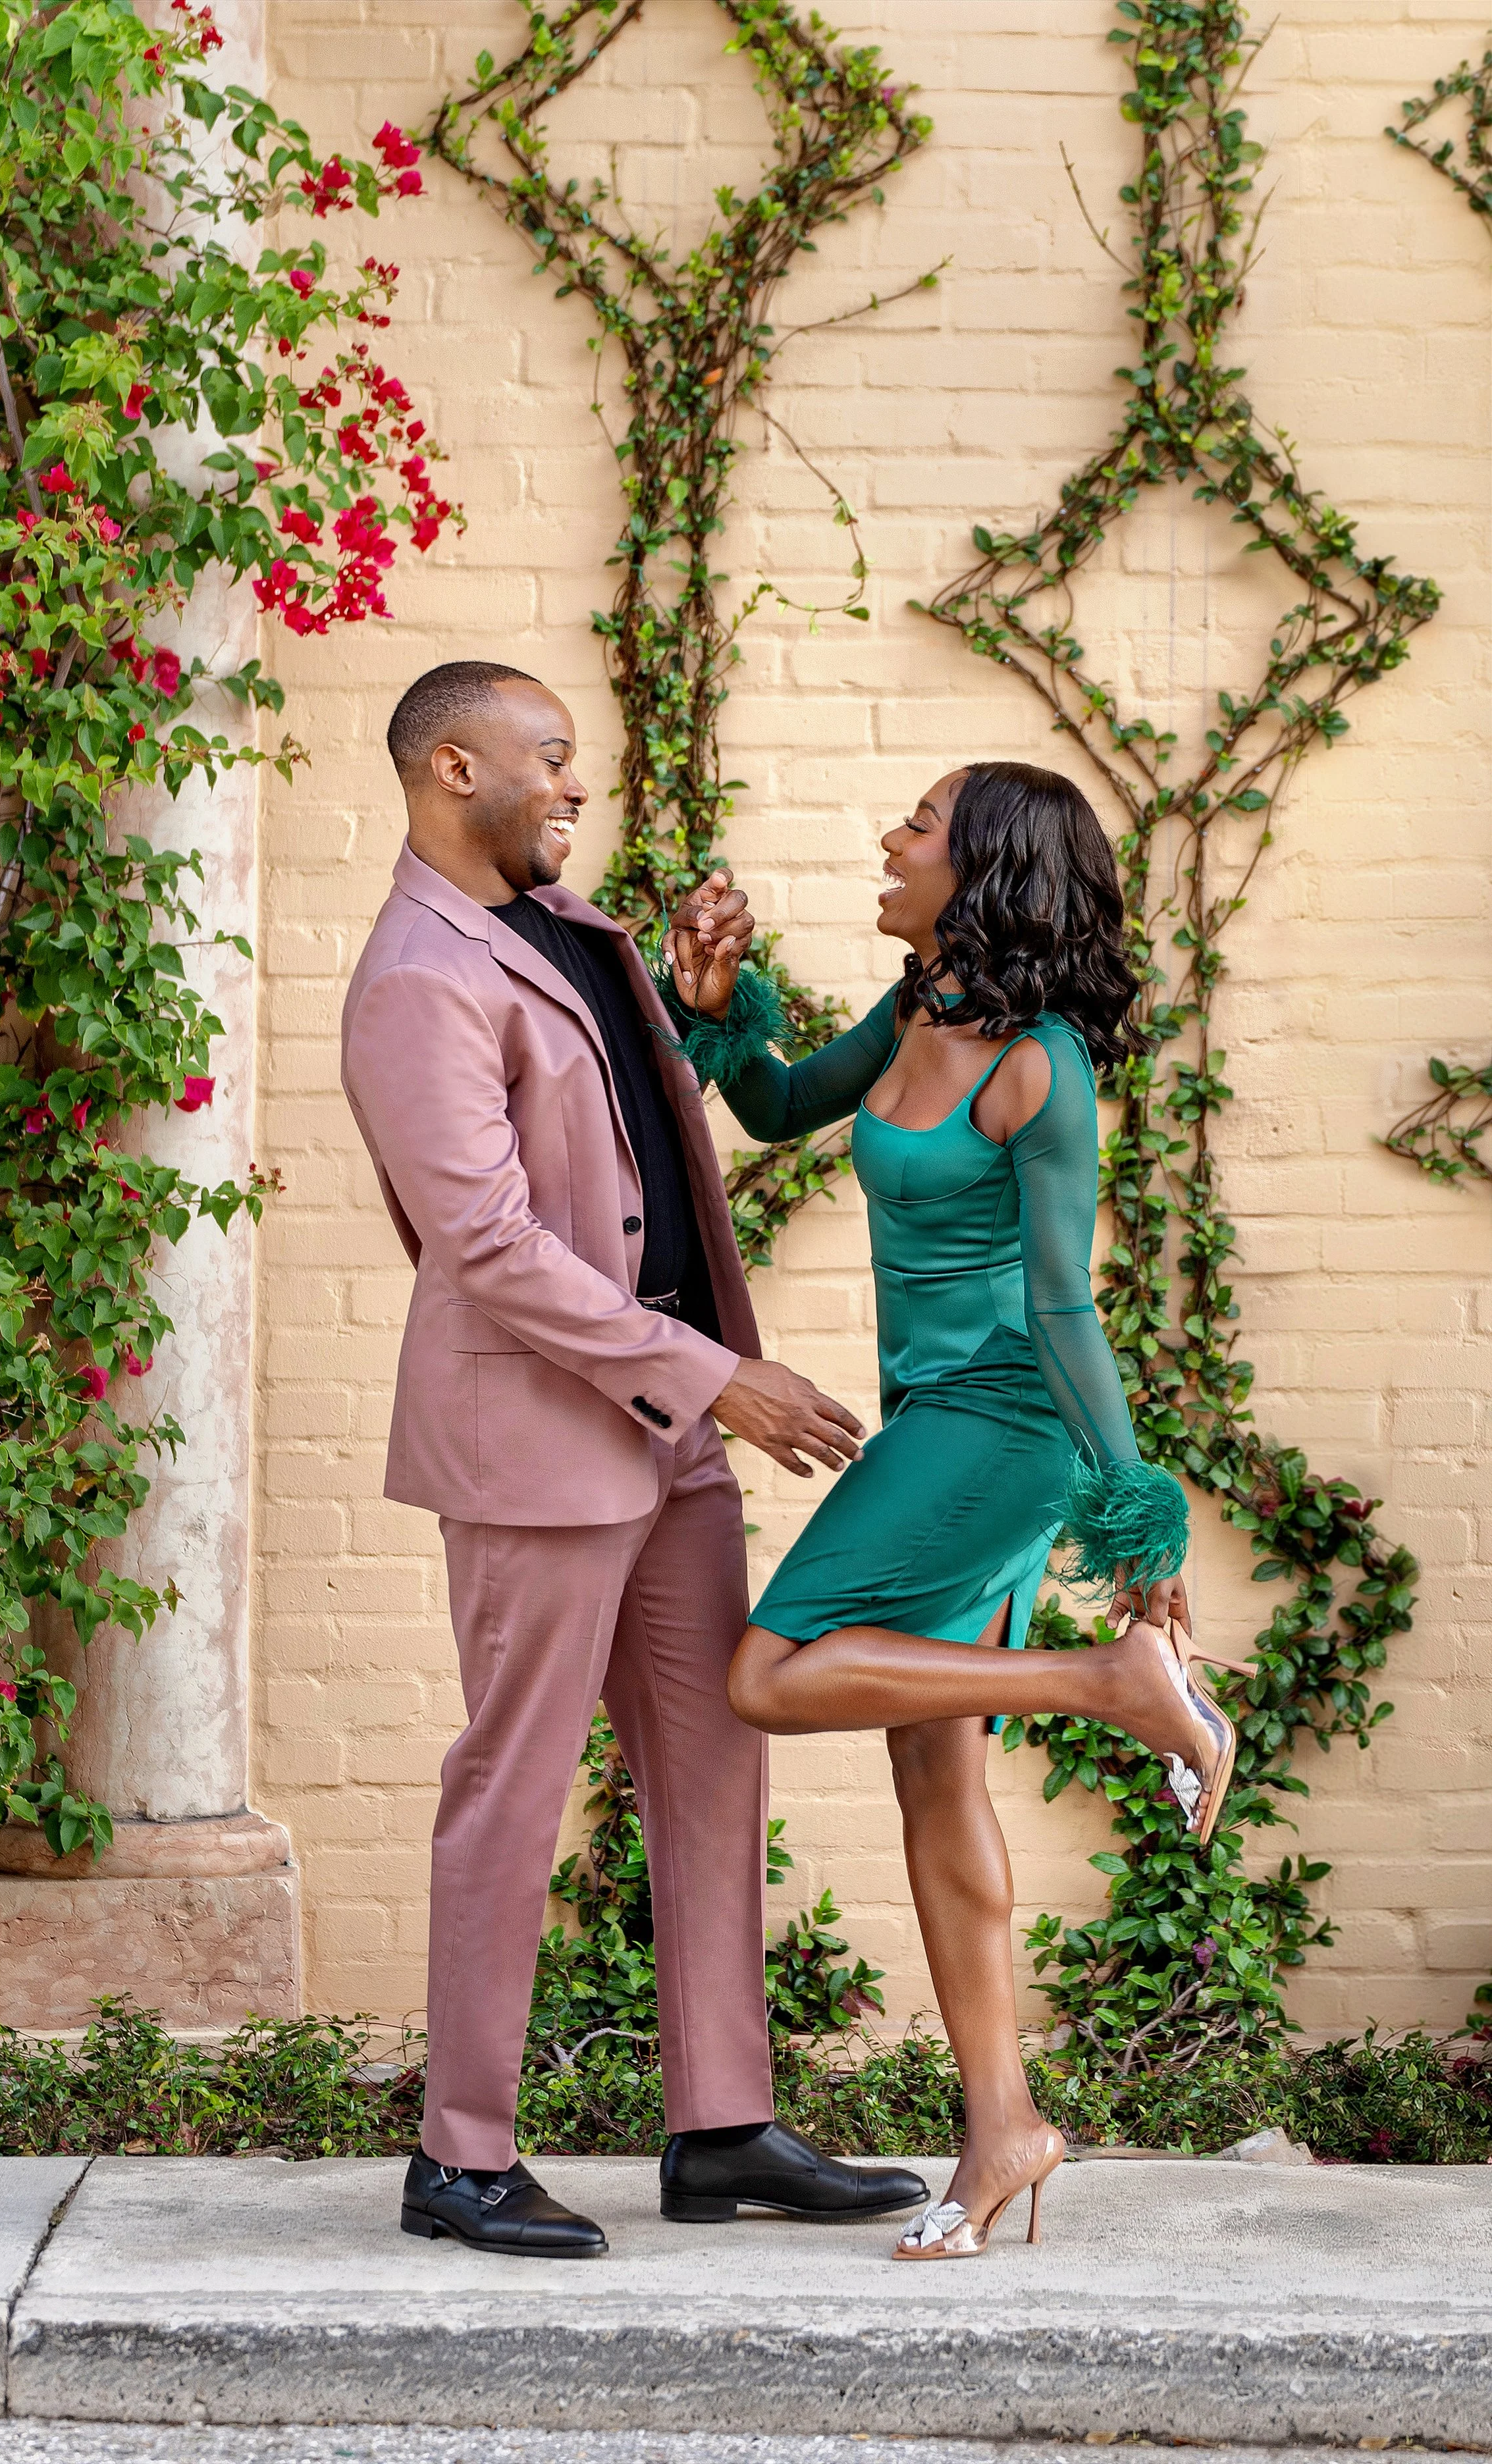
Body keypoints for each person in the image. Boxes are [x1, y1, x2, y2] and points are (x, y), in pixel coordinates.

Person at [340, 660, 927, 2257]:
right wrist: (720, 1377)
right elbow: (487, 1246)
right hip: (545, 1438)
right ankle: (458, 2154)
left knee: (714, 1757)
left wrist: (695, 998)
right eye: (552, 758)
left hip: (661, 1429)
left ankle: (721, 2124)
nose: (577, 784)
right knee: (513, 1784)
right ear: (454, 767)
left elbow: (611, 1127)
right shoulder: (415, 975)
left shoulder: (566, 932)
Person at [667, 760, 1249, 2263]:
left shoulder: (1043, 1062)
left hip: (1004, 1428)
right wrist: (725, 1002)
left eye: (917, 826)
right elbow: (782, 1104)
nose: (887, 837)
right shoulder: (923, 1007)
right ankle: (1004, 2127)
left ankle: (1109, 1685)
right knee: (934, 1775)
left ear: (981, 863)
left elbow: (1063, 1302)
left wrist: (1133, 1522)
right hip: (938, 1416)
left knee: (767, 1671)